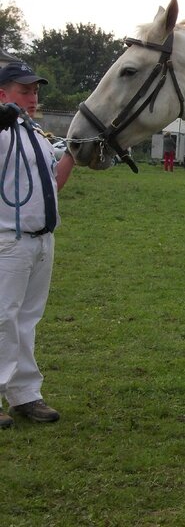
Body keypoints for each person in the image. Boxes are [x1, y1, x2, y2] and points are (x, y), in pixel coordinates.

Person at [0, 61, 74, 428]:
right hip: (8, 240)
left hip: (41, 239)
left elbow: (53, 184)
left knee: (27, 319)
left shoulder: (36, 134)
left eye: (35, 91)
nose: (33, 98)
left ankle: (25, 394)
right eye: (24, 91)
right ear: (3, 94)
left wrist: (74, 153)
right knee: (3, 319)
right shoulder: (2, 133)